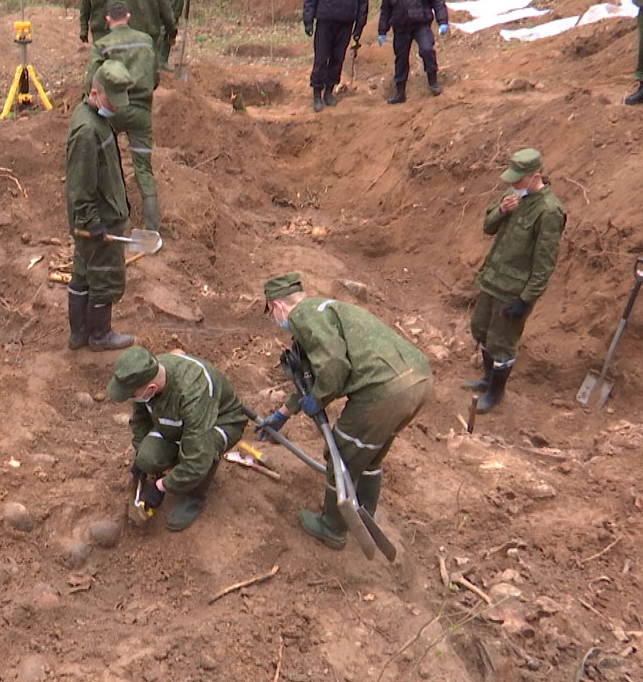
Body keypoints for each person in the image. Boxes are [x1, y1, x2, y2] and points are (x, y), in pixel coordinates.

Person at [256, 274, 431, 550]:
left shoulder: (304, 316)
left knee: (341, 454)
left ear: (277, 305)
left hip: (383, 390)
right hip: (417, 381)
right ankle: (364, 512)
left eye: (271, 313)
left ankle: (333, 527)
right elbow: (310, 375)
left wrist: (320, 397)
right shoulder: (328, 310)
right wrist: (284, 413)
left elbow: (335, 366)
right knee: (369, 454)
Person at [464, 149, 566, 413]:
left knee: (502, 343)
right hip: (492, 280)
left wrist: (525, 299)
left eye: (518, 180)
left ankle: (496, 394)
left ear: (535, 176)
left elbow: (544, 264)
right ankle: (487, 380)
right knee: (481, 330)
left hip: (513, 291)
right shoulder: (512, 197)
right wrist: (501, 210)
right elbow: (488, 227)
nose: (513, 185)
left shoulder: (549, 211)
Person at [109, 347, 246, 531]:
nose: (131, 399)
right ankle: (179, 466)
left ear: (151, 388)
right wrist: (139, 453)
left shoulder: (193, 394)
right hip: (180, 423)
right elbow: (140, 420)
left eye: (132, 395)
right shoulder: (146, 371)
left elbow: (197, 459)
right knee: (147, 457)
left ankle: (195, 497)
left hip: (221, 422)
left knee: (202, 451)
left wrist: (162, 486)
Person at [66, 60, 136, 352]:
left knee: (84, 272)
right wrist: (92, 221)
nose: (117, 107)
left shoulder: (96, 118)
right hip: (99, 220)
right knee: (105, 275)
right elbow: (80, 185)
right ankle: (99, 335)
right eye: (111, 101)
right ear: (95, 94)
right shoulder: (86, 131)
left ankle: (78, 335)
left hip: (98, 217)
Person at [86, 0, 162, 232]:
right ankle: (153, 228)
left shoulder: (103, 44)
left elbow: (91, 81)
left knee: (107, 162)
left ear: (108, 19)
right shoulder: (146, 41)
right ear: (128, 16)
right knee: (143, 168)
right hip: (141, 112)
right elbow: (156, 78)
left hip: (113, 110)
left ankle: (112, 221)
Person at [377, 0, 449, 104]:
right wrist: (382, 31)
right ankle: (400, 92)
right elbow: (385, 11)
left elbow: (437, 1)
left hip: (421, 24)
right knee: (401, 58)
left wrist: (442, 21)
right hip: (400, 28)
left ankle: (433, 81)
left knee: (427, 49)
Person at [303, 0, 369, 112]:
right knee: (321, 58)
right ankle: (317, 94)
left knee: (337, 58)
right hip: (325, 21)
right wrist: (308, 20)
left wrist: (359, 27)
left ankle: (329, 92)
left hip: (345, 22)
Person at [116, 0, 176, 67]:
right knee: (148, 71)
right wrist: (172, 32)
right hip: (150, 37)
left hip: (127, 35)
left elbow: (115, 11)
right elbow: (167, 16)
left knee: (128, 67)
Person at [152, 0, 196, 66]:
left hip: (172, 2)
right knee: (161, 30)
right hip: (161, 2)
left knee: (168, 30)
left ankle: (162, 60)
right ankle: (158, 60)